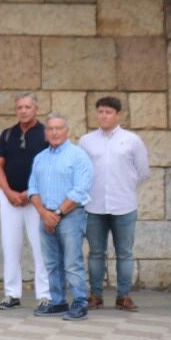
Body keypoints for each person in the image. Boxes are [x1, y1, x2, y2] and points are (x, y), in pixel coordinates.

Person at [79, 96, 150, 311]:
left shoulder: (132, 140)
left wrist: (125, 187)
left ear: (118, 115)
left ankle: (123, 296)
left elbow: (143, 172)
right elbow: (81, 172)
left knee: (125, 253)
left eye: (108, 112)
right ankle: (96, 296)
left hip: (124, 205)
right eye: (100, 111)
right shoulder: (86, 141)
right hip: (94, 206)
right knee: (96, 253)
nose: (104, 116)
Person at [27, 113, 95, 320]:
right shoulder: (40, 158)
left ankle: (80, 302)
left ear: (67, 131)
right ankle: (58, 301)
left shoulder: (78, 155)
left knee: (72, 261)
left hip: (70, 216)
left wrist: (56, 214)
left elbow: (80, 189)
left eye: (59, 128)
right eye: (50, 129)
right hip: (45, 215)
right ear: (45, 133)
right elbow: (32, 188)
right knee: (51, 262)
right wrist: (43, 213)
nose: (54, 132)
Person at [0, 93, 51, 311]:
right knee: (10, 246)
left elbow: (48, 167)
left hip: (36, 199)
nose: (23, 111)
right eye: (20, 107)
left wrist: (29, 193)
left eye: (27, 107)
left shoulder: (46, 134)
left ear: (36, 108)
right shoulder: (8, 134)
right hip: (10, 199)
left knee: (40, 247)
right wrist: (8, 192)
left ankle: (45, 295)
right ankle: (11, 294)